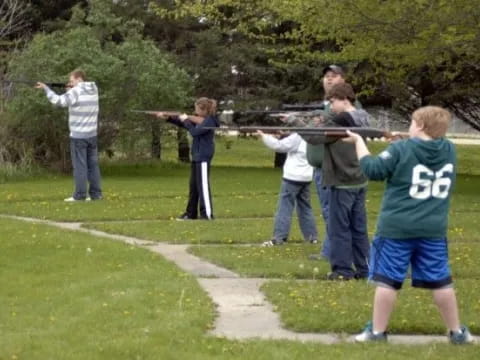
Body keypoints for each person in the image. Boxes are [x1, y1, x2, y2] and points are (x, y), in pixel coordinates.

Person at [346, 106, 473, 344]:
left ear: (421, 126)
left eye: (412, 123)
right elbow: (422, 149)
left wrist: (358, 142)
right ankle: (456, 332)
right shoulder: (449, 150)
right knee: (441, 280)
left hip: (396, 228)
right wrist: (404, 141)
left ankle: (377, 332)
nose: (409, 127)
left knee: (387, 280)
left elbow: (373, 170)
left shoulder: (400, 149)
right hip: (433, 230)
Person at [287, 64, 362, 261]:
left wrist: (298, 122)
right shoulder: (327, 107)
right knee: (331, 212)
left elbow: (316, 135)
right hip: (322, 167)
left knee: (335, 215)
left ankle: (335, 254)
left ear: (343, 81)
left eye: (334, 76)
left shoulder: (344, 110)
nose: (329, 79)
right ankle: (335, 252)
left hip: (336, 169)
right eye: (326, 76)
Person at [316, 82, 370, 280]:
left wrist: (300, 123)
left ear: (345, 100)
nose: (331, 106)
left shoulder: (343, 119)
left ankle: (342, 270)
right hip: (359, 179)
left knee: (339, 229)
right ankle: (365, 269)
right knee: (358, 229)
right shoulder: (363, 116)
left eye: (333, 101)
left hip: (343, 181)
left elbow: (316, 137)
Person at [36, 69, 102, 202]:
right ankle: (96, 195)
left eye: (72, 81)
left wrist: (46, 89)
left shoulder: (76, 91)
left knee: (80, 166)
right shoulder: (93, 89)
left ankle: (80, 195)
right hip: (92, 135)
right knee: (93, 166)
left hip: (79, 136)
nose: (70, 83)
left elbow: (58, 101)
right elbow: (75, 101)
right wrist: (69, 90)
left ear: (79, 79)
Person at [156, 98, 219, 220]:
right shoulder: (202, 120)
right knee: (194, 186)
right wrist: (168, 118)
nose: (194, 112)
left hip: (203, 156)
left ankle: (207, 214)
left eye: (196, 109)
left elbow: (194, 132)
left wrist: (186, 120)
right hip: (196, 155)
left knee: (203, 186)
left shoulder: (210, 121)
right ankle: (191, 213)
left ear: (204, 110)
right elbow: (184, 124)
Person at [258, 131, 318, 246]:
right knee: (305, 208)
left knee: (284, 208)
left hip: (293, 176)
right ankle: (312, 237)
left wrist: (264, 136)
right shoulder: (314, 136)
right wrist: (286, 134)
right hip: (307, 176)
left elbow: (279, 146)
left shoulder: (299, 136)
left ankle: (279, 237)